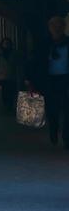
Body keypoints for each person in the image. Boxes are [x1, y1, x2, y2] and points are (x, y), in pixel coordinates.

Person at [28, 17, 69, 148]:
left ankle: (67, 136)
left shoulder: (67, 42)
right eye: (54, 26)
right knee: (52, 109)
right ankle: (54, 129)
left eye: (59, 26)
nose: (56, 28)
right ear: (50, 28)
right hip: (50, 81)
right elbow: (36, 63)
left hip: (66, 79)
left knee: (67, 109)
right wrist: (32, 80)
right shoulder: (44, 44)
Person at [0, 38, 20, 116]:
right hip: (3, 74)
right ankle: (7, 104)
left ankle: (10, 104)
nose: (6, 45)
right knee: (5, 89)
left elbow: (18, 63)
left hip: (12, 74)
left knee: (12, 90)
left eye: (8, 43)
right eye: (5, 43)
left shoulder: (14, 53)